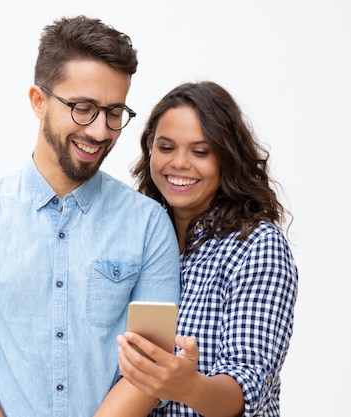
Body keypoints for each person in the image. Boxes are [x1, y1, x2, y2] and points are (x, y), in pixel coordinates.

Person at [0, 15, 181, 417]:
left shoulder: (148, 226)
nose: (99, 131)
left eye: (114, 113)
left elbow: (150, 366)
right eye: (83, 108)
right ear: (38, 101)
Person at [117, 81, 298, 417]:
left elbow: (247, 386)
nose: (180, 163)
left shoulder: (257, 245)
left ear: (228, 158)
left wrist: (189, 386)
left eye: (200, 152)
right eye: (166, 147)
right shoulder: (137, 238)